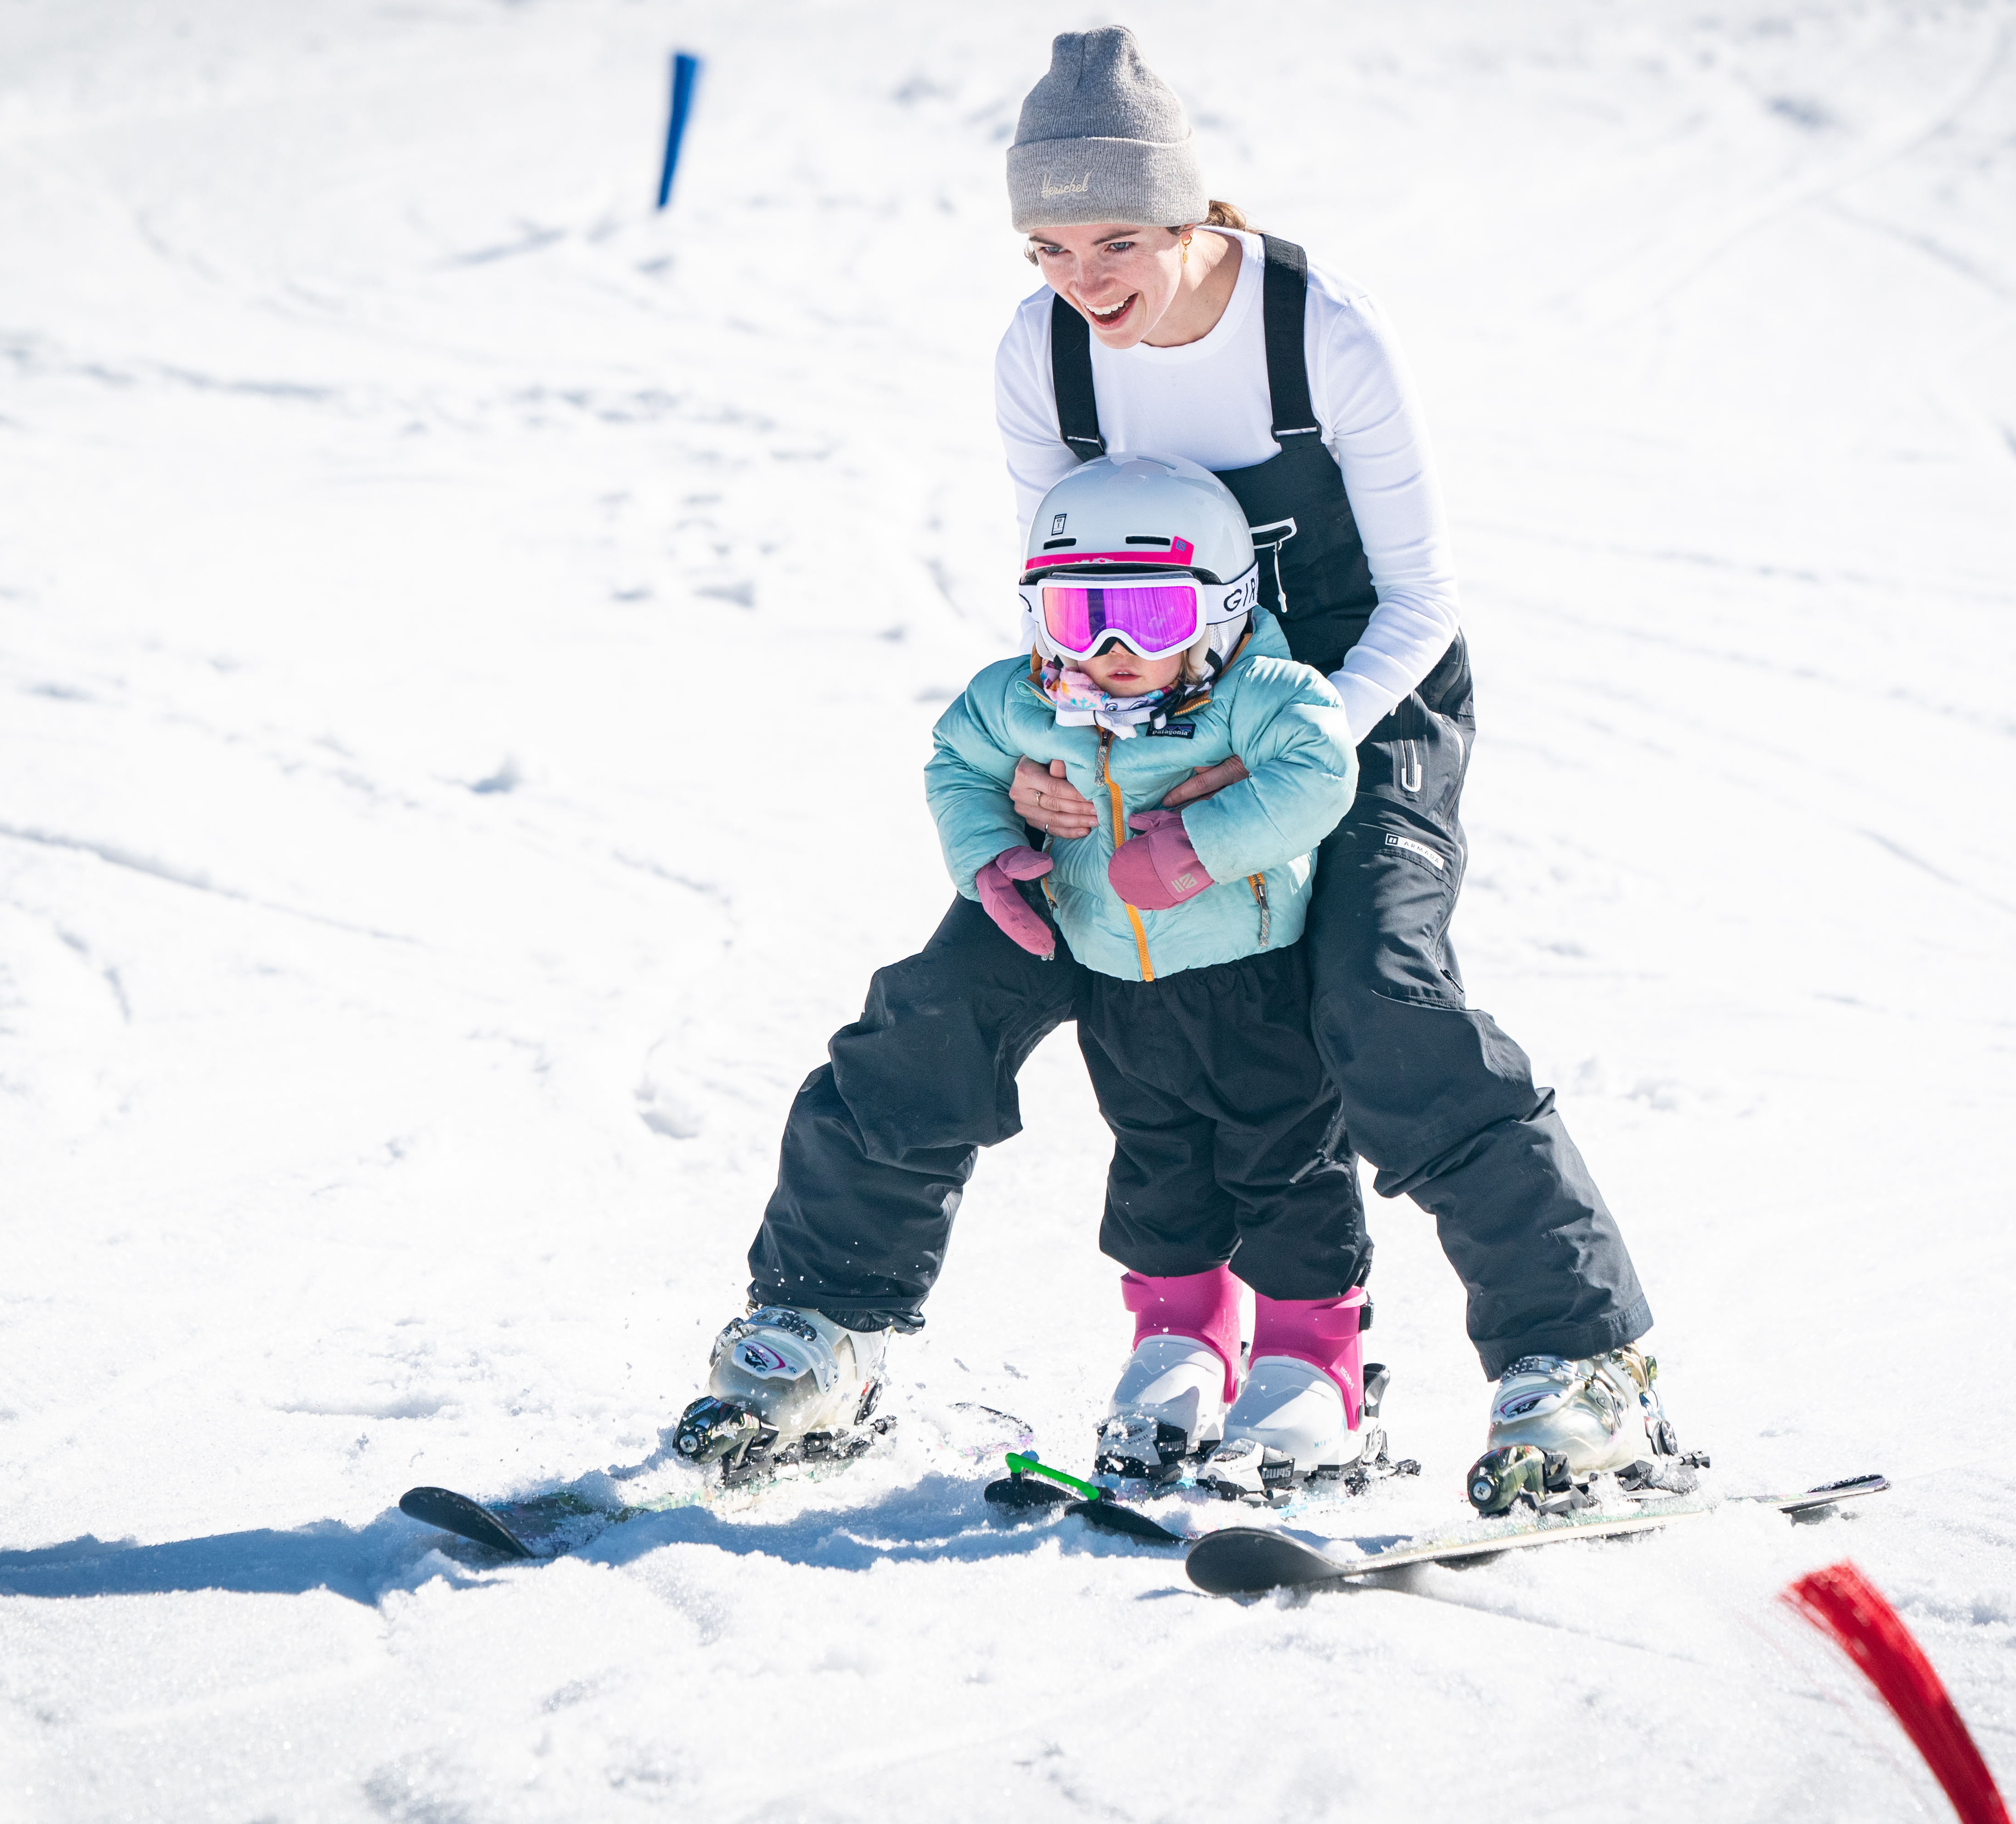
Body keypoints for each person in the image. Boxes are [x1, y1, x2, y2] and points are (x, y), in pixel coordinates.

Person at [693, 26, 1673, 1488]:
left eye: (1114, 238)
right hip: (1134, 707)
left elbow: (1421, 595)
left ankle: (1583, 1366)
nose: (1081, 281)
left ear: (1192, 213)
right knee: (953, 995)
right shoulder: (1043, 351)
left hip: (1359, 698)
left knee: (1380, 1001)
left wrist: (1279, 761)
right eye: (1045, 246)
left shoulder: (1315, 329)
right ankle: (816, 1340)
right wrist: (1043, 774)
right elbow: (1064, 581)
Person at [682, 453, 1392, 1491]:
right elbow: (956, 759)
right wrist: (987, 854)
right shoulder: (1022, 702)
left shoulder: (1260, 695)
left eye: (1145, 619)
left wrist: (1201, 843)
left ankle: (1309, 1365)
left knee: (1286, 1167)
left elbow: (1321, 766)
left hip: (1252, 985)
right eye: (1075, 616)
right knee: (1155, 1167)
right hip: (1118, 984)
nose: (1105, 650)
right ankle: (1179, 1343)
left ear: (1222, 611)